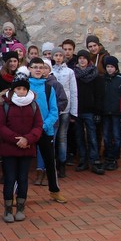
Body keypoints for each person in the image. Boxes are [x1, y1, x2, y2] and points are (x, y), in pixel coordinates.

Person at [0, 69, 43, 223]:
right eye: (18, 88)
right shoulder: (4, 104)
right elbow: (0, 126)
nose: (21, 91)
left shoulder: (33, 105)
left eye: (23, 89)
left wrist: (27, 139)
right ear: (13, 89)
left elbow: (38, 125)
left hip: (27, 148)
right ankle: (8, 208)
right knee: (9, 178)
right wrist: (17, 140)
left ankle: (21, 207)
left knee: (23, 179)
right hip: (9, 148)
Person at [27, 59, 67, 203]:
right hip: (28, 132)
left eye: (41, 67)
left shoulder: (49, 88)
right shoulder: (24, 87)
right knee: (22, 165)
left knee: (50, 162)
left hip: (45, 130)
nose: (38, 70)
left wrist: (43, 126)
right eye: (35, 67)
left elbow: (54, 111)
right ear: (29, 69)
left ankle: (55, 191)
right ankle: (17, 193)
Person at [74, 50, 105, 175]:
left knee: (92, 137)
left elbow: (99, 95)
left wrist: (98, 111)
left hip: (90, 111)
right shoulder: (74, 74)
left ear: (88, 60)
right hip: (77, 110)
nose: (82, 60)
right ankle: (83, 160)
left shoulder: (95, 75)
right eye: (80, 58)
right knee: (79, 137)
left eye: (84, 58)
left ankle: (94, 160)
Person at [50, 47, 78, 178]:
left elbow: (73, 91)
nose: (58, 58)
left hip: (65, 109)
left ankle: (62, 163)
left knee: (62, 137)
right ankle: (52, 162)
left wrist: (74, 111)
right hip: (53, 109)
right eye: (56, 55)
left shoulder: (69, 72)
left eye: (60, 55)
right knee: (53, 137)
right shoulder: (49, 71)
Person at [101, 56, 121, 171]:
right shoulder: (102, 79)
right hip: (105, 112)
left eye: (112, 67)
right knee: (106, 136)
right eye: (108, 67)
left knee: (116, 136)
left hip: (116, 113)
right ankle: (108, 157)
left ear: (116, 68)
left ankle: (114, 157)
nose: (109, 69)